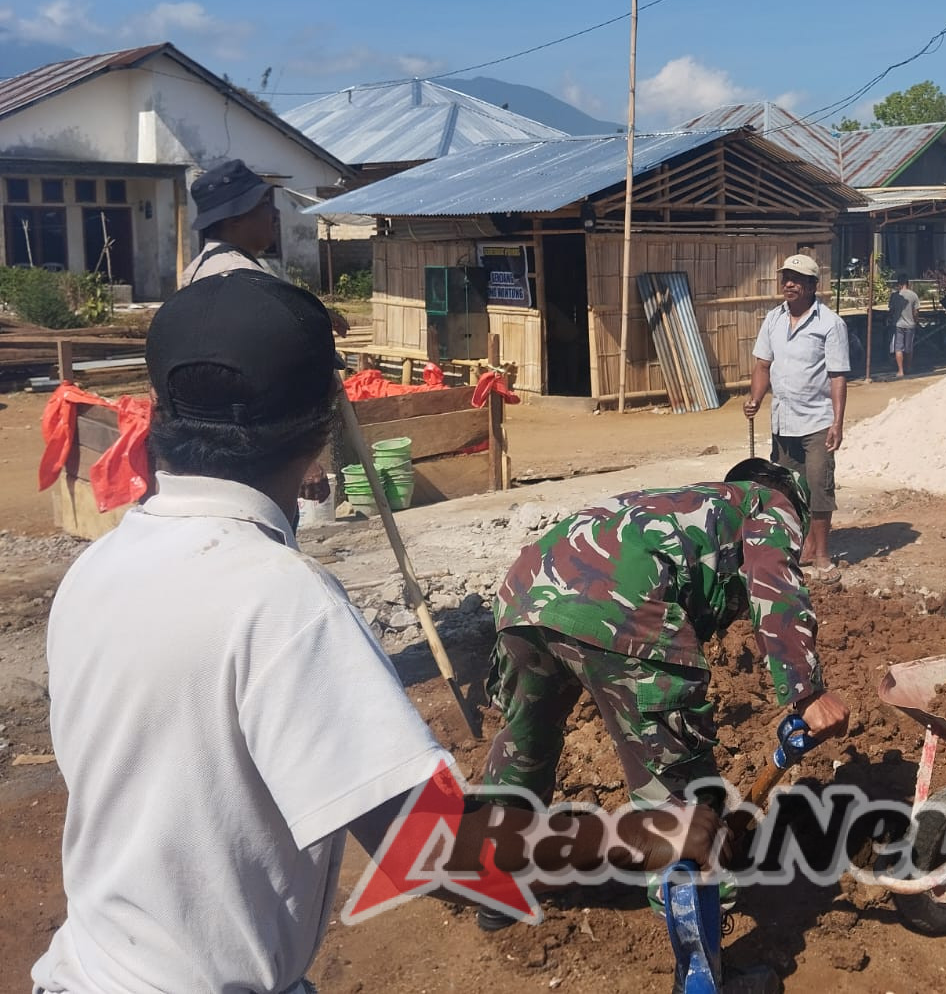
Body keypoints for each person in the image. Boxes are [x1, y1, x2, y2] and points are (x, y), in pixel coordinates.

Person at [32, 272, 720, 994]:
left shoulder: (99, 568)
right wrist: (640, 835)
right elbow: (438, 853)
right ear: (329, 423)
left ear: (160, 412)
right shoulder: (281, 602)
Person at [479, 458, 850, 931]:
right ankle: (701, 960)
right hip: (621, 609)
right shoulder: (769, 504)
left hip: (524, 594)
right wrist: (807, 691)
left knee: (523, 745)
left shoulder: (687, 504)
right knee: (679, 791)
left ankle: (496, 882)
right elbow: (774, 582)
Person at [745, 254, 849, 572]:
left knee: (819, 486)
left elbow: (837, 376)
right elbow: (763, 365)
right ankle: (801, 547)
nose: (789, 283)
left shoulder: (830, 324)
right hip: (783, 419)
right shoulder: (773, 319)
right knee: (788, 488)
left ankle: (822, 554)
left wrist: (837, 422)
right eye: (786, 277)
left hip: (817, 420)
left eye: (797, 278)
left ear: (812, 285)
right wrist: (755, 398)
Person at [179, 158, 349, 335]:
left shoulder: (198, 268)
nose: (276, 213)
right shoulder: (241, 275)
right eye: (266, 203)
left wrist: (312, 312)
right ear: (234, 217)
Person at [890, 274, 920, 377]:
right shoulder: (914, 295)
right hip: (910, 325)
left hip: (898, 324)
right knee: (909, 348)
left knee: (898, 348)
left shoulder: (894, 296)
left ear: (899, 283)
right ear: (908, 283)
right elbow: (915, 312)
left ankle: (900, 371)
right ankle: (908, 367)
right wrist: (916, 322)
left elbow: (891, 310)